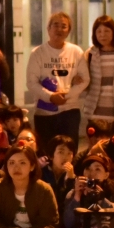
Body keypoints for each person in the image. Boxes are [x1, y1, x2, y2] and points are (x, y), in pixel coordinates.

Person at [25, 11, 85, 151]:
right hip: (44, 113)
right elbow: (31, 82)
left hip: (70, 110)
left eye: (64, 26)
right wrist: (51, 96)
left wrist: (66, 95)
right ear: (48, 28)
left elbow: (84, 79)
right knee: (45, 152)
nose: (59, 29)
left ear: (68, 31)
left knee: (69, 151)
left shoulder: (76, 52)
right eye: (55, 25)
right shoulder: (38, 53)